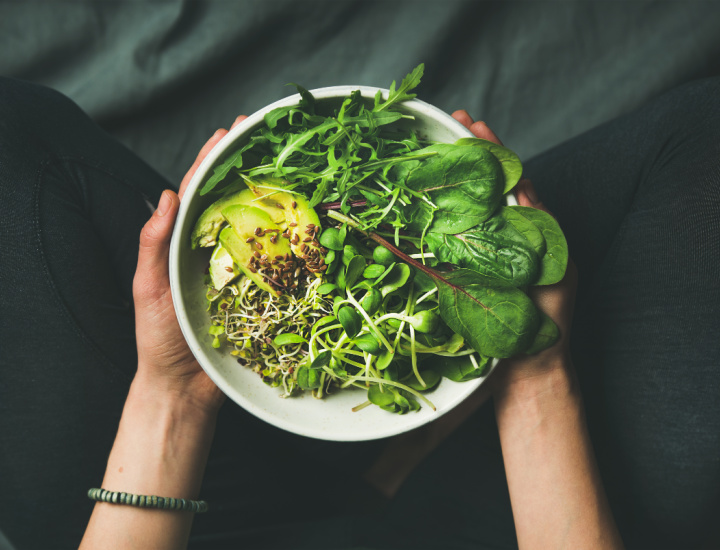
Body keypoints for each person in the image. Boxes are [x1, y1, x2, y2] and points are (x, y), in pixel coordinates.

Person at [0, 75, 718, 550]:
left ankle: (379, 458)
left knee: (13, 137)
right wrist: (533, 381)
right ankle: (406, 457)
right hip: (505, 512)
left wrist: (175, 393)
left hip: (181, 510)